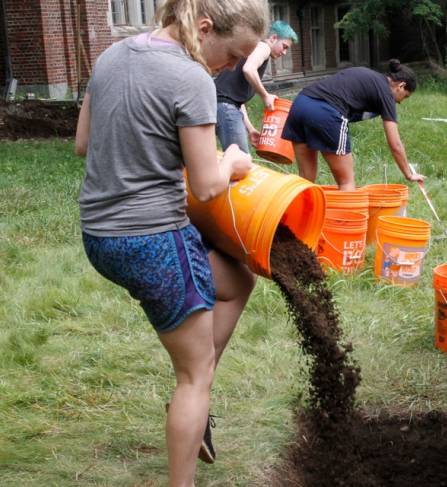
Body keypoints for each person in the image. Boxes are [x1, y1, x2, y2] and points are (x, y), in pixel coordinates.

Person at [74, 0, 267, 484]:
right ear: (204, 28)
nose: (232, 68)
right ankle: (191, 404)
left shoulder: (111, 55)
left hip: (99, 236)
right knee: (194, 377)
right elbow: (205, 186)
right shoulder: (191, 76)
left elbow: (83, 143)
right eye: (233, 55)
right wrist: (234, 163)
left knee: (237, 282)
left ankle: (191, 399)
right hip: (152, 241)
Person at [281, 59, 426, 190]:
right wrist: (408, 174)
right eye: (405, 97)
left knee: (305, 178)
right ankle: (345, 220)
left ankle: (290, 218)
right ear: (401, 86)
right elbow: (395, 144)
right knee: (346, 182)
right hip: (326, 112)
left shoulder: (369, 76)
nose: (400, 102)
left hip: (300, 104)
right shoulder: (386, 93)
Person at [214, 20, 298, 153]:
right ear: (273, 38)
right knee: (240, 160)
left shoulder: (254, 49)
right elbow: (249, 69)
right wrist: (265, 96)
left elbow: (235, 98)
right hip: (224, 107)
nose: (284, 52)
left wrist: (250, 128)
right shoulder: (264, 47)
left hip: (221, 105)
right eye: (284, 46)